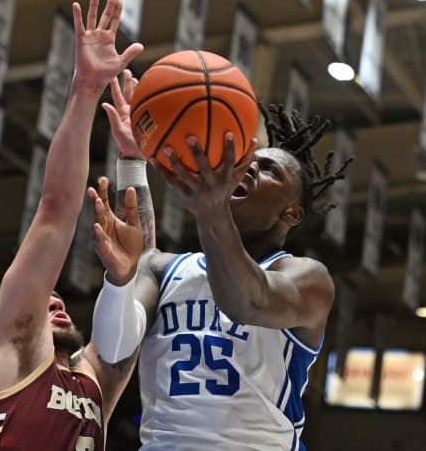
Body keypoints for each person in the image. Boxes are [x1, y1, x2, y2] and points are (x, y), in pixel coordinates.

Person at [90, 102, 352, 450]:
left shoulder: (306, 278)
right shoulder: (163, 269)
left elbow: (246, 301)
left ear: (292, 213)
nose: (250, 169)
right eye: (248, 162)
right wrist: (119, 280)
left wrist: (210, 214)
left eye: (269, 169)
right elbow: (113, 349)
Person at [0, 0, 146, 451]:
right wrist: (85, 90)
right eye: (47, 300)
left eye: (56, 299)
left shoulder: (94, 387)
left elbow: (141, 278)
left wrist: (134, 161)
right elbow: (57, 209)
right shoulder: (12, 347)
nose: (57, 303)